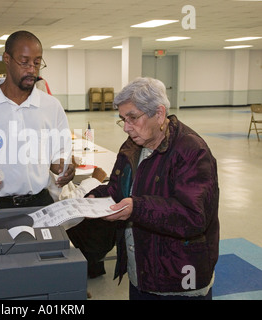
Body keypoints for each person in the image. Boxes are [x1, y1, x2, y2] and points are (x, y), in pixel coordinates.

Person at [87, 77, 220, 300]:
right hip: (141, 272)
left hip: (178, 279)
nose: (126, 127)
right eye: (122, 120)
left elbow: (193, 217)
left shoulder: (191, 151)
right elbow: (119, 189)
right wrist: (93, 197)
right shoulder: (133, 146)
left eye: (133, 118)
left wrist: (136, 208)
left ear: (159, 114)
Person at [0, 30, 74, 209]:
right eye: (24, 61)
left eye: (37, 62)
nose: (31, 69)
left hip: (40, 203)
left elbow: (59, 156)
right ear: (7, 59)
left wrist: (65, 168)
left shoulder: (51, 106)